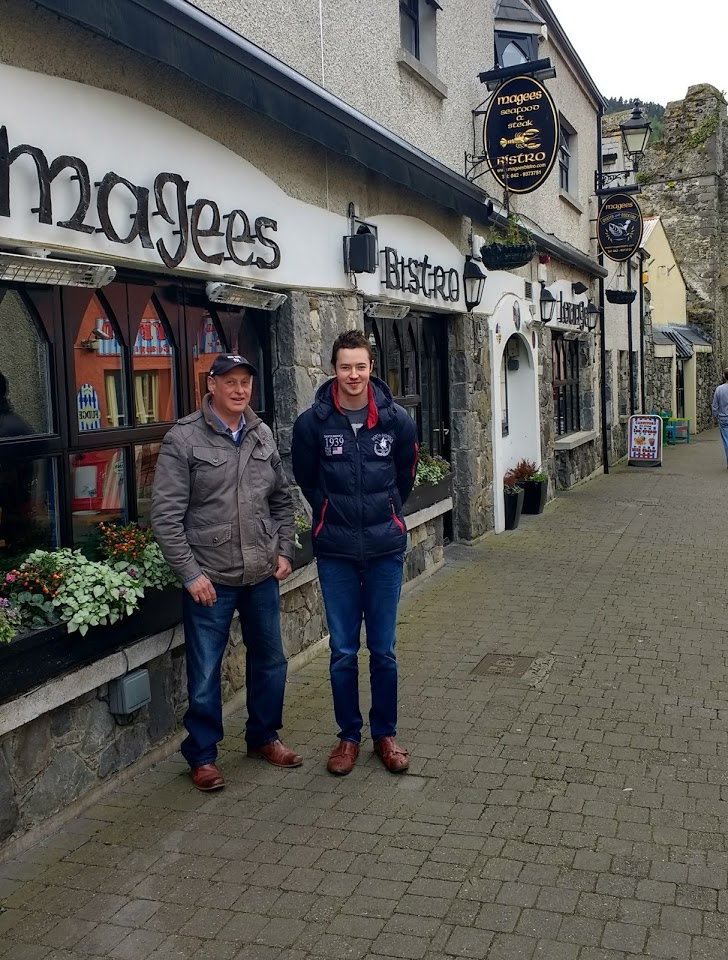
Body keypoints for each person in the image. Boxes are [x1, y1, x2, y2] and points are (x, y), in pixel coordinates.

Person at [152, 354, 301, 792]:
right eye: (230, 382)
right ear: (211, 385)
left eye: (246, 382)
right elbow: (165, 517)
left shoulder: (261, 434)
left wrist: (284, 550)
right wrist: (190, 574)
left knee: (271, 662)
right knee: (204, 671)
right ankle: (201, 756)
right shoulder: (183, 439)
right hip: (210, 580)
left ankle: (263, 737)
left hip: (259, 575)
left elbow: (281, 499)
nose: (239, 390)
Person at [292, 329, 418, 776]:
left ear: (371, 369)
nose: (353, 375)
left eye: (360, 366)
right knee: (344, 651)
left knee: (382, 650)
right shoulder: (312, 424)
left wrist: (385, 512)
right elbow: (306, 479)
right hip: (336, 552)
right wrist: (329, 514)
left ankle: (385, 734)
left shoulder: (396, 420)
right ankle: (348, 737)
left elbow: (404, 475)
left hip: (385, 549)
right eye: (345, 366)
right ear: (333, 370)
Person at [712, 369, 728, 468]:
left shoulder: (719, 389)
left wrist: (716, 416)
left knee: (726, 440)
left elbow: (715, 406)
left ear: (724, 376)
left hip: (723, 418)